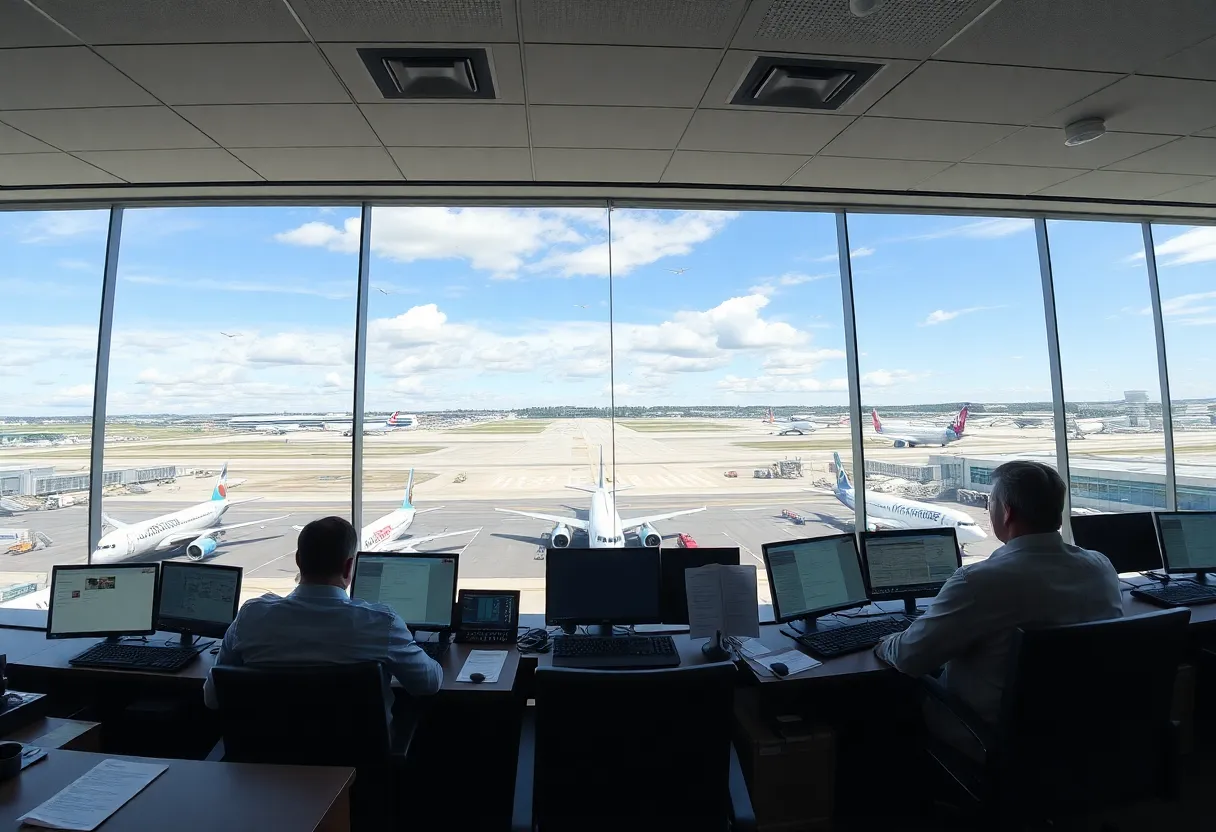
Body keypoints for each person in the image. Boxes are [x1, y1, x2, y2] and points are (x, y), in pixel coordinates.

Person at [874, 460, 1122, 758]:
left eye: (990, 502)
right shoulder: (1100, 566)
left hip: (991, 737)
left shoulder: (979, 581)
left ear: (1007, 512)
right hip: (1082, 731)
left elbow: (908, 658)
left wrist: (886, 643)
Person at [203, 516, 442, 726]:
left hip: (267, 765)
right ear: (349, 566)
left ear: (298, 560)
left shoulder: (250, 617)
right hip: (357, 763)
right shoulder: (380, 623)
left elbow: (212, 698)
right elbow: (428, 683)